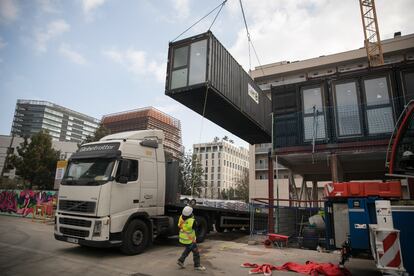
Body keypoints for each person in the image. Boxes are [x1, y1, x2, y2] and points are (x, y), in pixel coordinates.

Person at [177, 206, 206, 271]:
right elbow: (195, 228)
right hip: (190, 240)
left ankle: (181, 261)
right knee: (196, 253)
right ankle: (197, 266)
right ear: (190, 214)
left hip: (182, 239)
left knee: (188, 249)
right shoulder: (192, 221)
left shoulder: (181, 218)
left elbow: (179, 225)